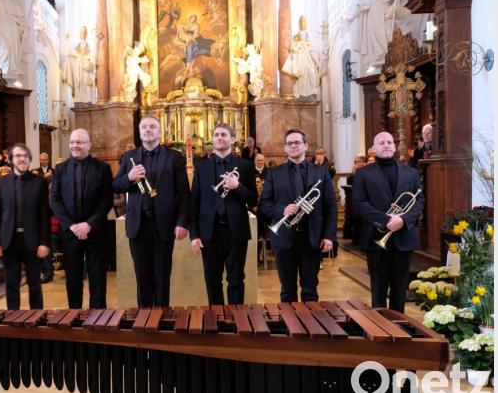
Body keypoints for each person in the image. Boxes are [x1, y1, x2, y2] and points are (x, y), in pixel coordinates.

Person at [113, 115, 190, 307]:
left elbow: (184, 194)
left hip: (164, 226)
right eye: (144, 127)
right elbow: (115, 185)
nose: (148, 130)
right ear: (139, 132)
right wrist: (129, 178)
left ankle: (162, 322)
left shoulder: (174, 157)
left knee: (162, 278)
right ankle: (145, 323)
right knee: (142, 279)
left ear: (159, 131)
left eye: (152, 127)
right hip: (138, 227)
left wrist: (182, 222)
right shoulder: (129, 157)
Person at [259, 129, 337, 302]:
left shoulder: (321, 172)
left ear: (306, 146)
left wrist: (329, 236)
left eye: (297, 143)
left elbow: (330, 207)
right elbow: (264, 204)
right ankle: (290, 327)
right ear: (285, 148)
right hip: (284, 238)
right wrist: (282, 210)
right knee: (287, 291)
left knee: (310, 290)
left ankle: (310, 327)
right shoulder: (274, 173)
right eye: (290, 143)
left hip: (312, 238)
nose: (294, 146)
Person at [353, 131, 424, 312]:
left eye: (389, 142)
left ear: (394, 146)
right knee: (378, 288)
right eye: (381, 143)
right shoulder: (363, 173)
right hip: (376, 237)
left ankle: (398, 327)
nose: (386, 145)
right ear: (374, 148)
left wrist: (403, 220)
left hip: (404, 237)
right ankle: (380, 330)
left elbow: (419, 201)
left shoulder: (411, 173)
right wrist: (385, 220)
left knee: (400, 288)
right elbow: (359, 203)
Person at [190, 124, 257, 305]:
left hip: (236, 232)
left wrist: (238, 187)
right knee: (212, 281)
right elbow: (194, 204)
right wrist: (194, 235)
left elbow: (253, 200)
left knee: (236, 280)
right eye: (216, 135)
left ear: (233, 139)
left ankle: (236, 320)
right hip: (209, 233)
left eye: (224, 135)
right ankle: (216, 323)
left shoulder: (246, 166)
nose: (219, 137)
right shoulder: (201, 167)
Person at [50, 129, 114, 309]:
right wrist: (71, 226)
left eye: (79, 142)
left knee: (98, 280)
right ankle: (74, 318)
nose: (74, 146)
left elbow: (106, 200)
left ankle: (99, 319)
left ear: (89, 145)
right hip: (70, 234)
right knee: (73, 280)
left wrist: (89, 224)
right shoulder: (61, 169)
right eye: (72, 142)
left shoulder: (103, 168)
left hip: (96, 232)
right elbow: (55, 200)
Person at [0, 143, 51, 310]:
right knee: (11, 284)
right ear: (11, 160)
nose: (22, 159)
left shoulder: (39, 183)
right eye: (17, 156)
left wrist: (44, 242)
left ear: (29, 160)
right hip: (9, 240)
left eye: (25, 156)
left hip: (32, 240)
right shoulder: (2, 182)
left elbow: (44, 215)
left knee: (34, 284)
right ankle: (13, 321)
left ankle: (37, 320)